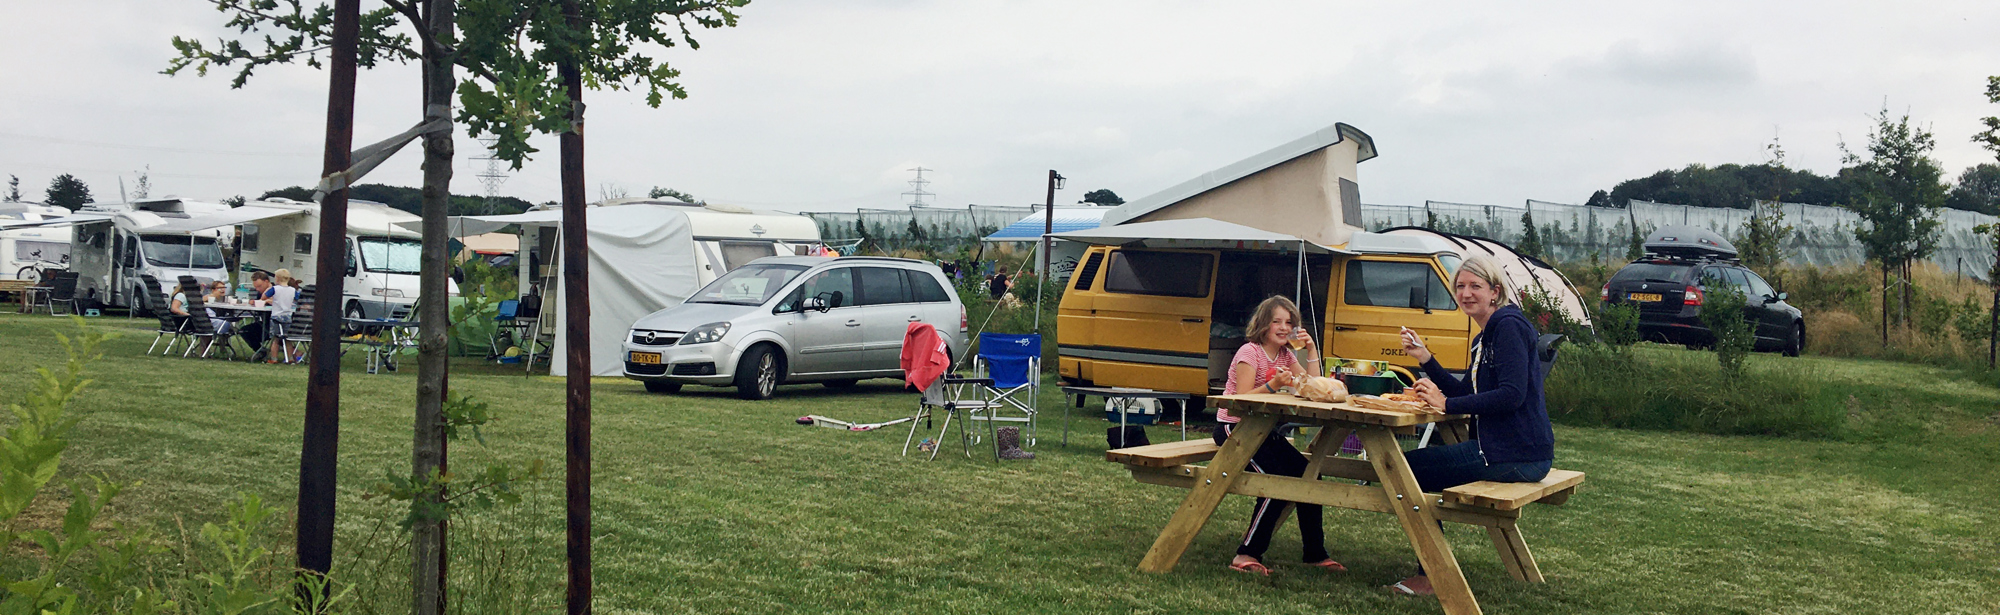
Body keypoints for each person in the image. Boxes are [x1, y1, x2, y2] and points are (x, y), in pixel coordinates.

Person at [1391, 255, 1556, 597]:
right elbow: (1467, 392)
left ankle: (1431, 576)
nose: (1466, 294)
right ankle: (1431, 570)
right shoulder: (1485, 336)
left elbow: (1511, 395)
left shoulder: (1509, 326)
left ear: (1495, 291)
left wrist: (1447, 405)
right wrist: (1426, 360)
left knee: (1404, 470)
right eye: (1460, 286)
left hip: (1516, 454)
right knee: (1410, 470)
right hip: (1504, 450)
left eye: (1475, 286)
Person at [1213, 295, 1340, 576]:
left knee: (1310, 475)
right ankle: (1246, 553)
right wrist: (1272, 386)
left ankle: (1315, 554)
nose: (1284, 328)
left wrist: (1311, 349)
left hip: (1263, 430)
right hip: (1234, 429)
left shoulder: (1285, 355)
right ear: (1263, 325)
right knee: (1274, 482)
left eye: (1289, 323)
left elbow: (1312, 387)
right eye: (1277, 322)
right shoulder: (1250, 352)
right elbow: (1241, 399)